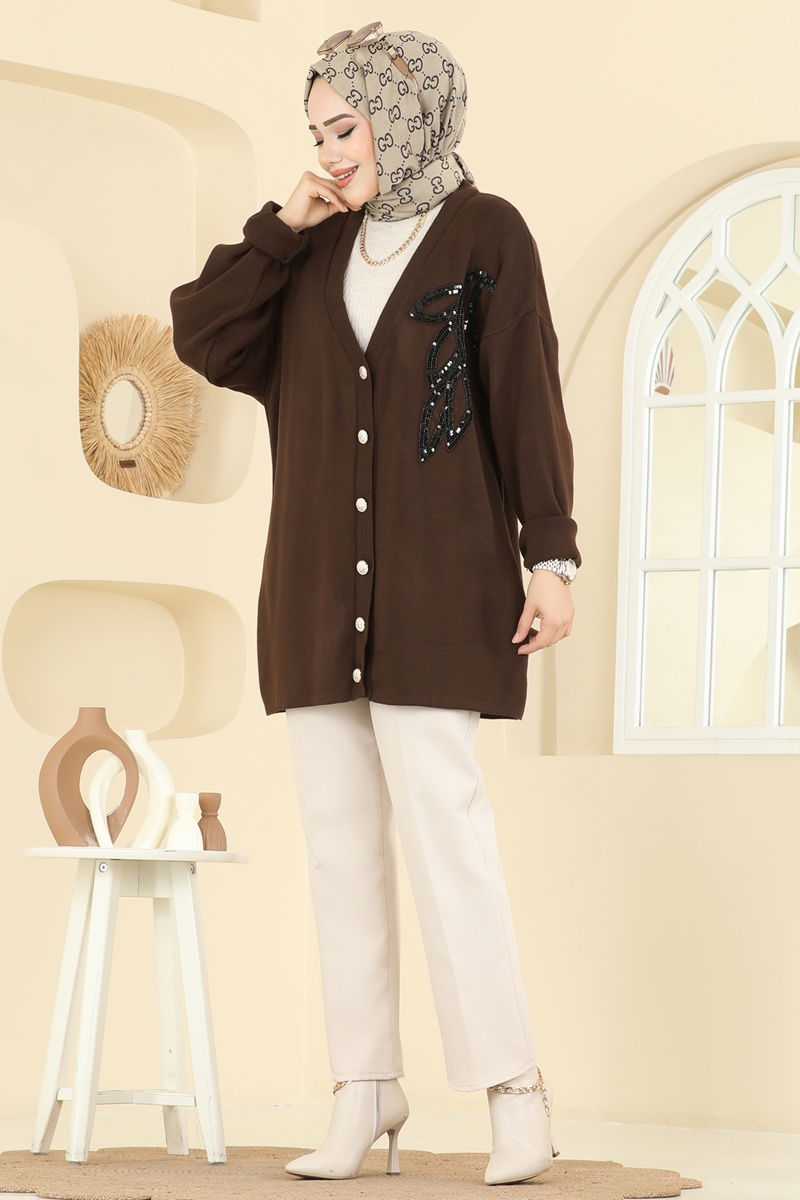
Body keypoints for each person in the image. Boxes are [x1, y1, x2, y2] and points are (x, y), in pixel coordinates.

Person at [169, 21, 581, 1186]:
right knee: (339, 852)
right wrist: (280, 224)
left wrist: (551, 557)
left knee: (449, 841)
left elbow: (525, 397)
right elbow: (200, 336)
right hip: (313, 595)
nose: (330, 153)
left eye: (343, 128)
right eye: (315, 134)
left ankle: (513, 1092)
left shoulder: (487, 235)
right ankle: (364, 1089)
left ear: (400, 118)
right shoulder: (305, 253)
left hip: (440, 590)